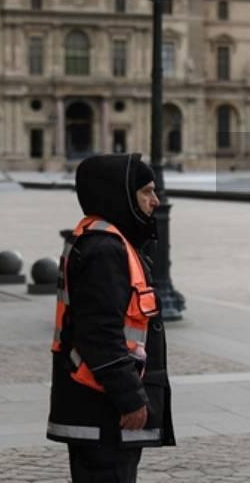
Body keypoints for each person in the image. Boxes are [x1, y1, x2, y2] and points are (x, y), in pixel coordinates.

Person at [48, 153, 175, 482]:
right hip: (104, 408)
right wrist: (130, 398)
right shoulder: (105, 249)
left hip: (98, 404)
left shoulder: (104, 239)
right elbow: (99, 333)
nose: (155, 201)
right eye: (146, 191)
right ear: (119, 194)